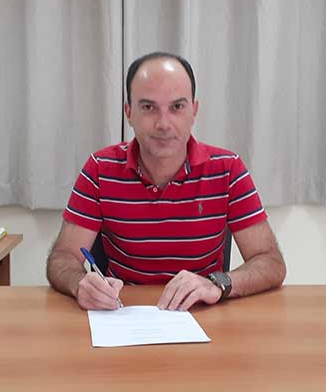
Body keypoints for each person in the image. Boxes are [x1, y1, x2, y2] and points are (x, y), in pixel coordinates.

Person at [47, 51, 286, 311]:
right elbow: (63, 257)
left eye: (177, 107)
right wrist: (80, 283)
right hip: (122, 313)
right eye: (149, 107)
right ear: (129, 112)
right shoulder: (99, 169)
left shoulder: (227, 169)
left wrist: (218, 283)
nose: (163, 123)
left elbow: (270, 261)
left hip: (201, 314)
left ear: (194, 111)